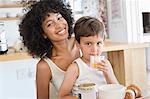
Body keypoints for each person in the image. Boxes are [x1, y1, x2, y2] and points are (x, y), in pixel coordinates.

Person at [19, 0, 79, 99]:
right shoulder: (44, 66)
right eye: (50, 24)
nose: (59, 25)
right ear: (43, 34)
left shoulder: (82, 43)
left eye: (59, 18)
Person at [58, 16, 119, 99]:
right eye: (88, 44)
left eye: (98, 43)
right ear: (78, 45)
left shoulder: (106, 64)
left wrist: (108, 74)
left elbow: (117, 90)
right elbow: (62, 96)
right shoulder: (75, 68)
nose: (94, 49)